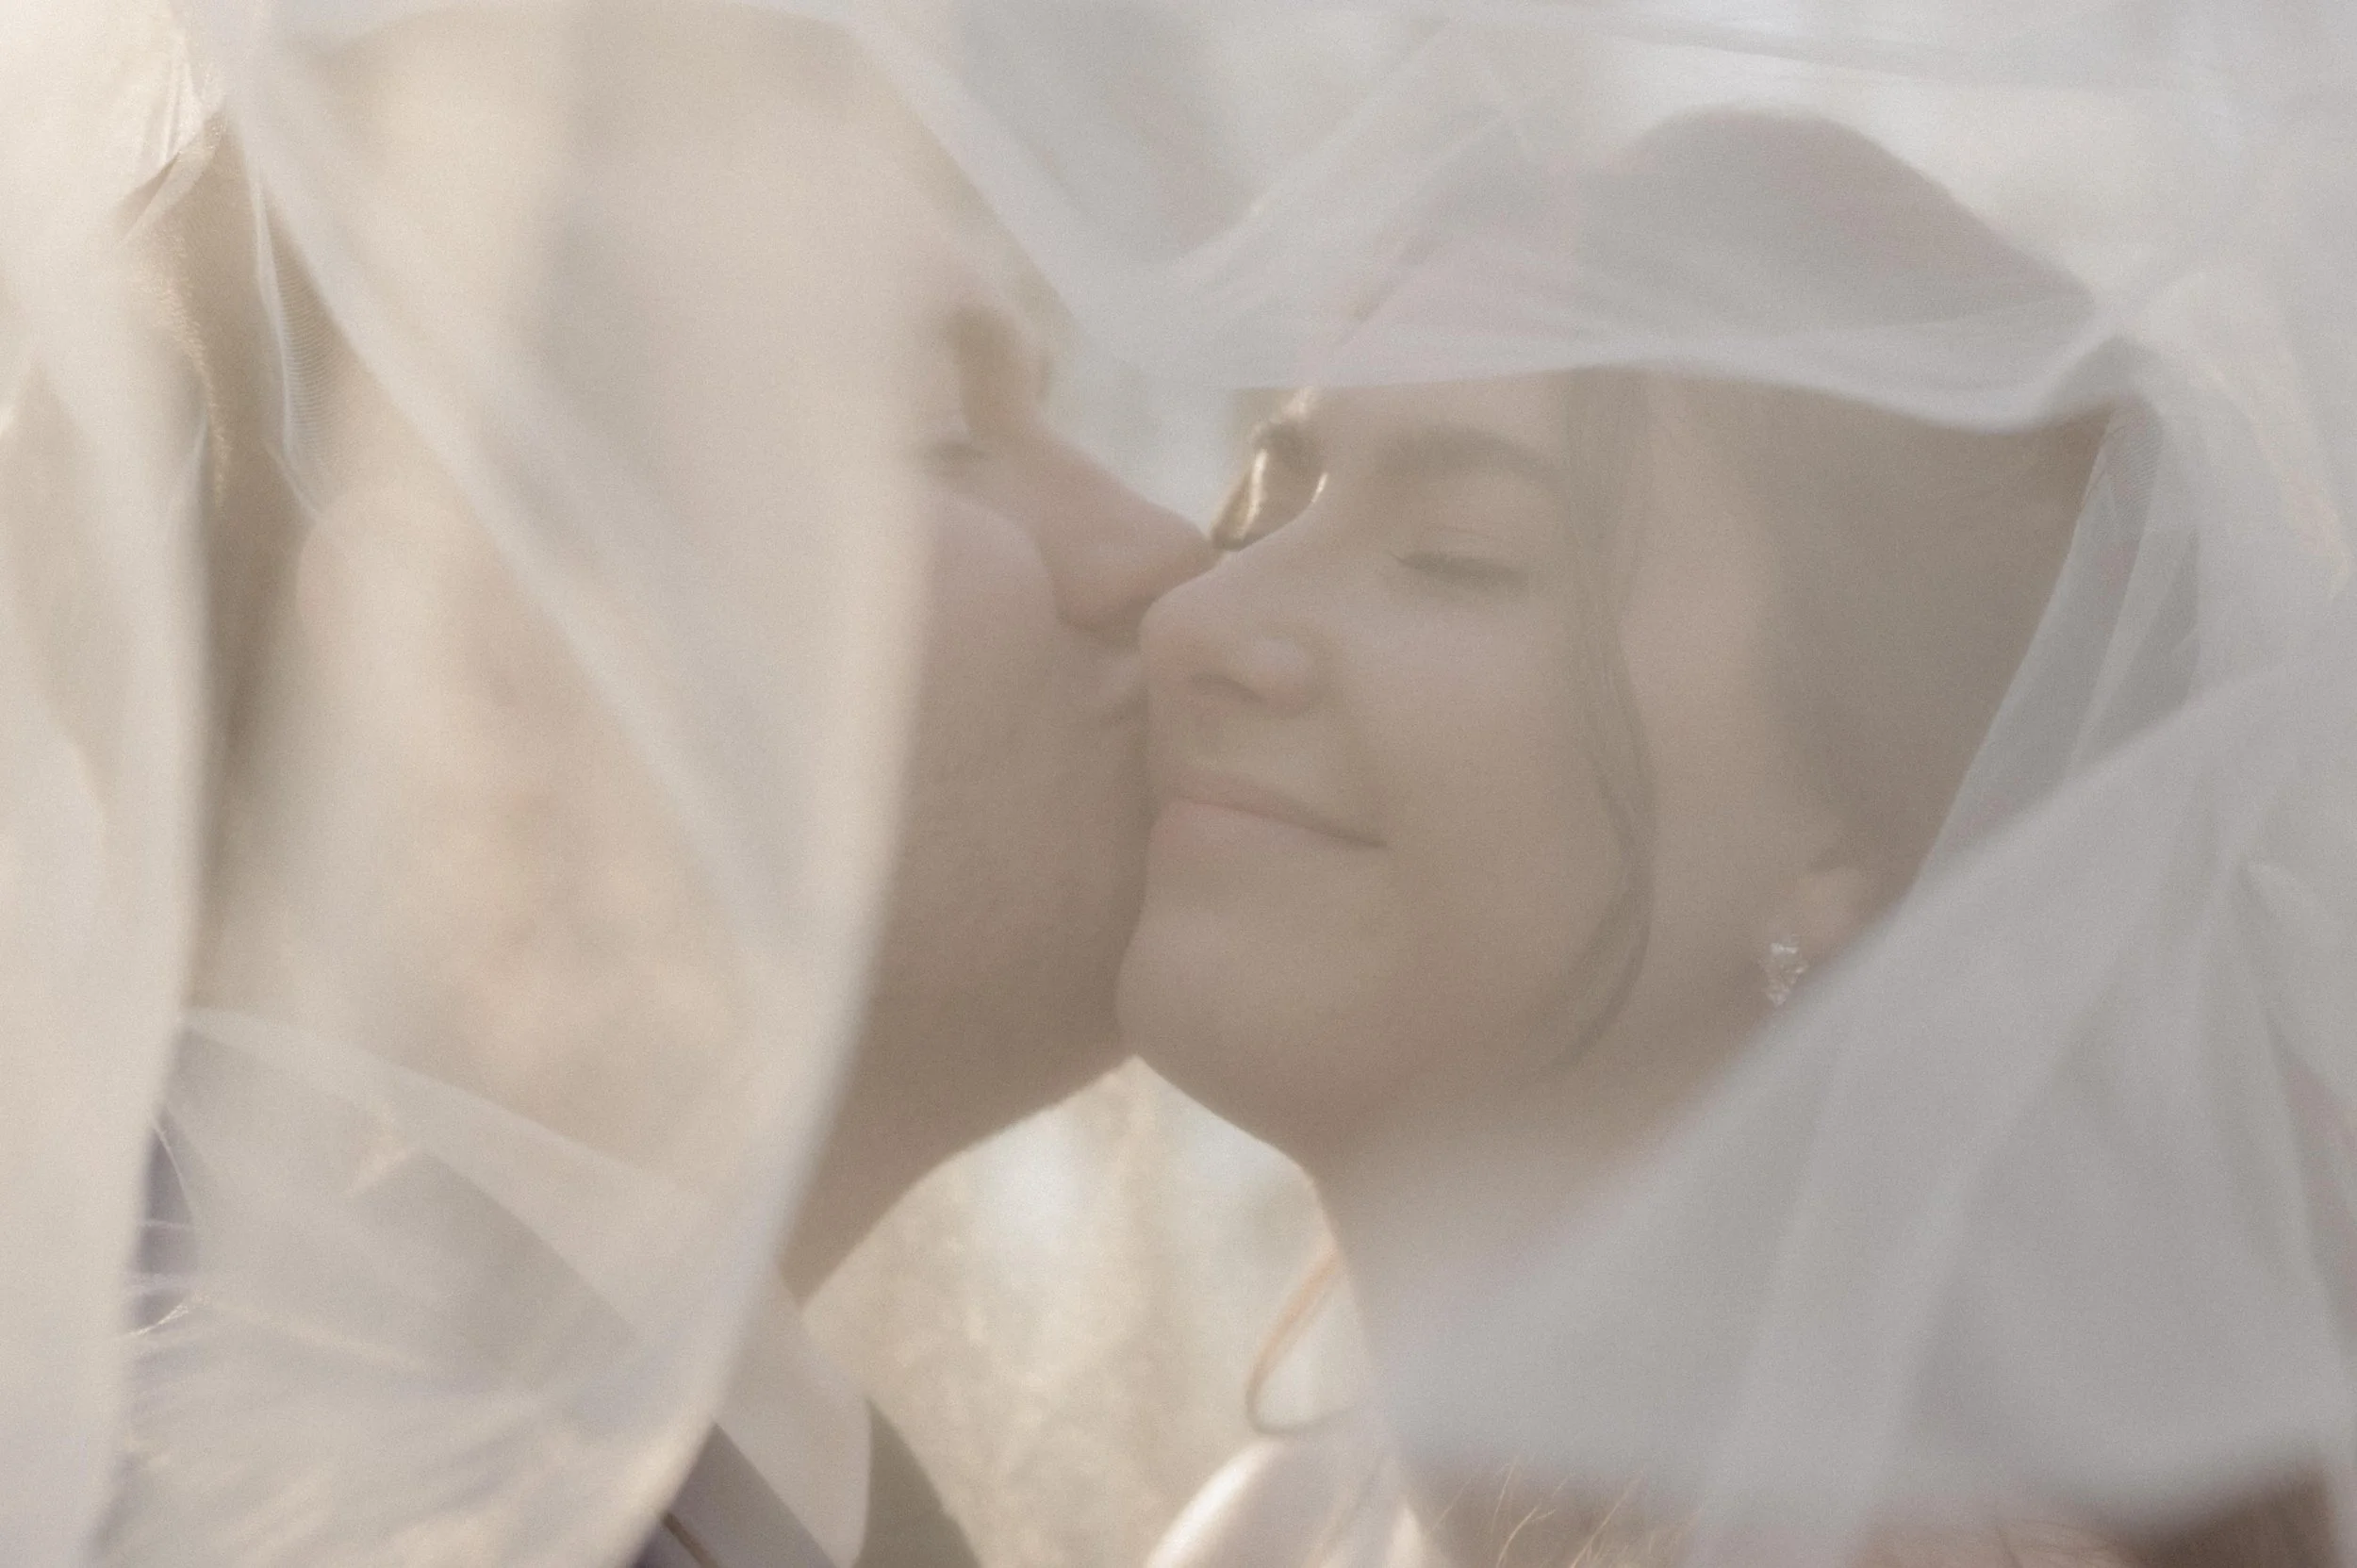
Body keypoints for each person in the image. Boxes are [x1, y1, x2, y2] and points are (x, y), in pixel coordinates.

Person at [1119, 111, 2353, 1568]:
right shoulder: (1263, 1531)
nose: (1196, 618)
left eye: (1460, 553)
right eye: (1272, 504)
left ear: (1857, 828)